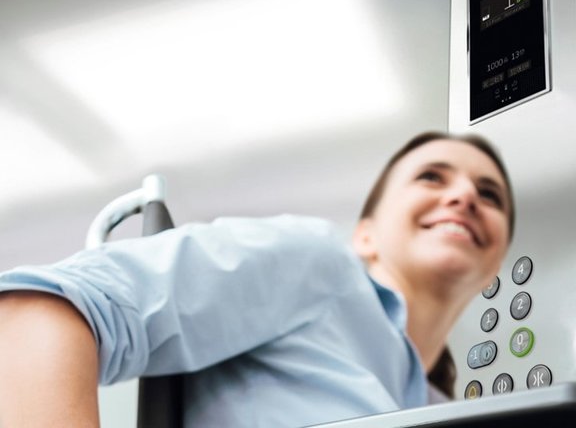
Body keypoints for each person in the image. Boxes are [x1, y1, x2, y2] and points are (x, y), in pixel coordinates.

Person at [0, 131, 514, 428]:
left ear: (498, 258)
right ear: (366, 236)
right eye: (432, 177)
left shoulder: (448, 411)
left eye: (489, 195)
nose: (464, 196)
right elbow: (38, 310)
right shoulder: (317, 262)